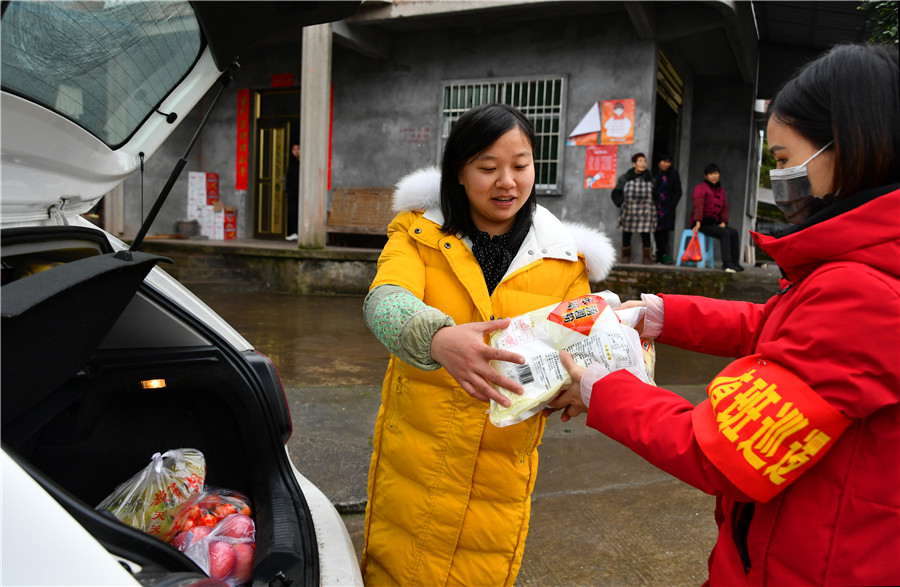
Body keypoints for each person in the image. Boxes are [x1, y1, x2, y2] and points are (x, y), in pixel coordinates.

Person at [547, 43, 899, 586]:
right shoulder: (861, 266)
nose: (781, 178)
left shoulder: (865, 291)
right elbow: (775, 328)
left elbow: (721, 452)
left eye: (783, 161)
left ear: (849, 147)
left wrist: (605, 386)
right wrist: (661, 315)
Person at [360, 103, 615, 586]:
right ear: (459, 170)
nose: (507, 182)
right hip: (416, 464)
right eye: (487, 167)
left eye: (520, 165)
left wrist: (583, 381)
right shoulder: (419, 234)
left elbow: (584, 342)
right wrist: (436, 337)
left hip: (499, 477)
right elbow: (384, 301)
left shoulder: (564, 261)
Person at [691, 163, 743, 272]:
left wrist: (724, 222)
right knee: (725, 233)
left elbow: (725, 207)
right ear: (706, 176)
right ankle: (727, 263)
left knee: (734, 233)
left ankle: (735, 263)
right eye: (711, 174)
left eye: (715, 173)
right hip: (703, 223)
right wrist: (698, 222)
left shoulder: (721, 190)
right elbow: (698, 205)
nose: (714, 176)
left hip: (715, 223)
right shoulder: (700, 188)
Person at [612, 152, 656, 264]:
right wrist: (621, 203)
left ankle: (647, 257)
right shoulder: (625, 178)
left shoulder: (650, 178)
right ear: (634, 164)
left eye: (644, 161)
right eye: (640, 161)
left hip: (646, 211)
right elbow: (616, 193)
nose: (643, 164)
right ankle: (625, 256)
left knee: (646, 234)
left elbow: (656, 194)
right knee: (626, 233)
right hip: (629, 210)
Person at [652, 153, 682, 264]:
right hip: (655, 207)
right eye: (664, 161)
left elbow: (678, 192)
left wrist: (671, 204)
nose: (666, 164)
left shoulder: (673, 175)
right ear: (659, 162)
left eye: (668, 162)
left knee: (665, 231)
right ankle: (661, 253)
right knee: (657, 230)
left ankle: (663, 253)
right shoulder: (653, 174)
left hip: (667, 207)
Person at [284, 142, 300, 241]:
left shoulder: (304, 163)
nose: (296, 151)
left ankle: (299, 232)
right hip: (292, 192)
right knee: (292, 212)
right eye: (294, 149)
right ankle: (293, 232)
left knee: (299, 212)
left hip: (301, 192)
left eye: (298, 149)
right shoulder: (292, 163)